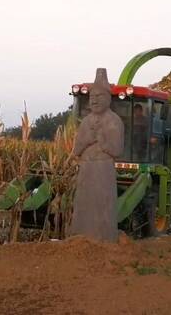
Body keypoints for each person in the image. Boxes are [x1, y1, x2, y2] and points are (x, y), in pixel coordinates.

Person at [70, 68, 125, 243]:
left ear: (108, 98)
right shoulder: (85, 122)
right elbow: (76, 150)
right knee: (83, 206)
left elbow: (117, 150)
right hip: (86, 168)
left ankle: (103, 239)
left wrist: (102, 140)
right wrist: (86, 139)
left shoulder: (114, 121)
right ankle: (79, 238)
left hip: (103, 169)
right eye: (92, 96)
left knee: (102, 207)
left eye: (99, 96)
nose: (94, 100)